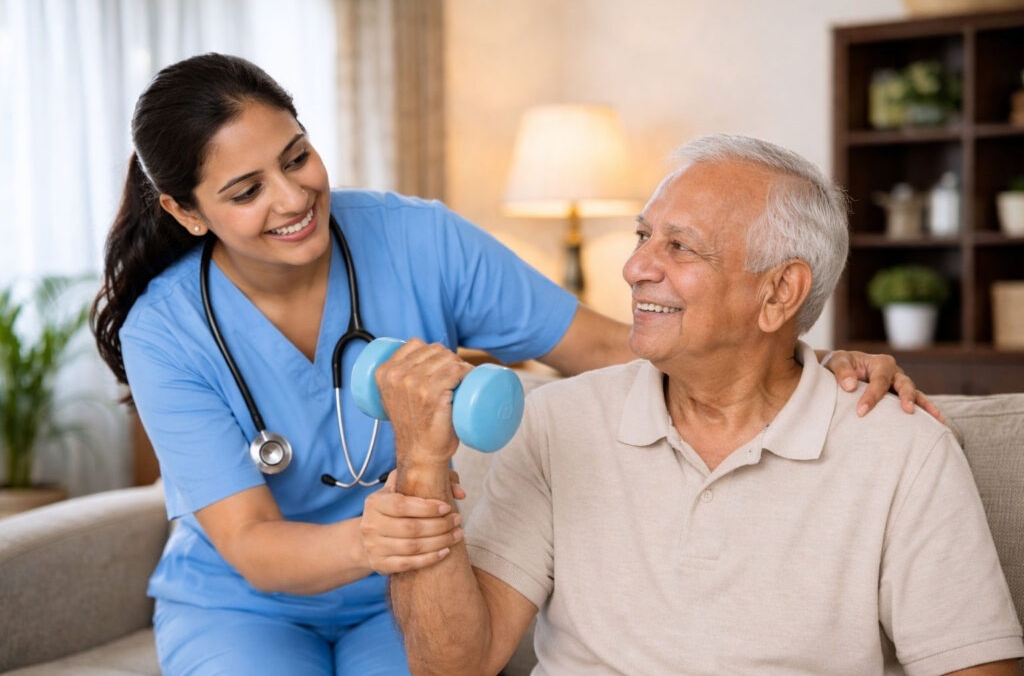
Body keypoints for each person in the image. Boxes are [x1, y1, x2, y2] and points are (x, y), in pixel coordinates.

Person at [89, 52, 926, 675]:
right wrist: (383, 532)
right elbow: (255, 544)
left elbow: (605, 348)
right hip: (248, 600)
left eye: (297, 156)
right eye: (245, 191)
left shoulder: (415, 236)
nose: (293, 196)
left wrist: (800, 361)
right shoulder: (165, 328)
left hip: (404, 590)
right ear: (184, 211)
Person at [369, 134, 1024, 675]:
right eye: (642, 236)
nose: (634, 268)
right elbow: (454, 665)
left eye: (678, 246)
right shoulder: (556, 422)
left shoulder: (901, 449)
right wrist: (422, 461)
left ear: (779, 293)